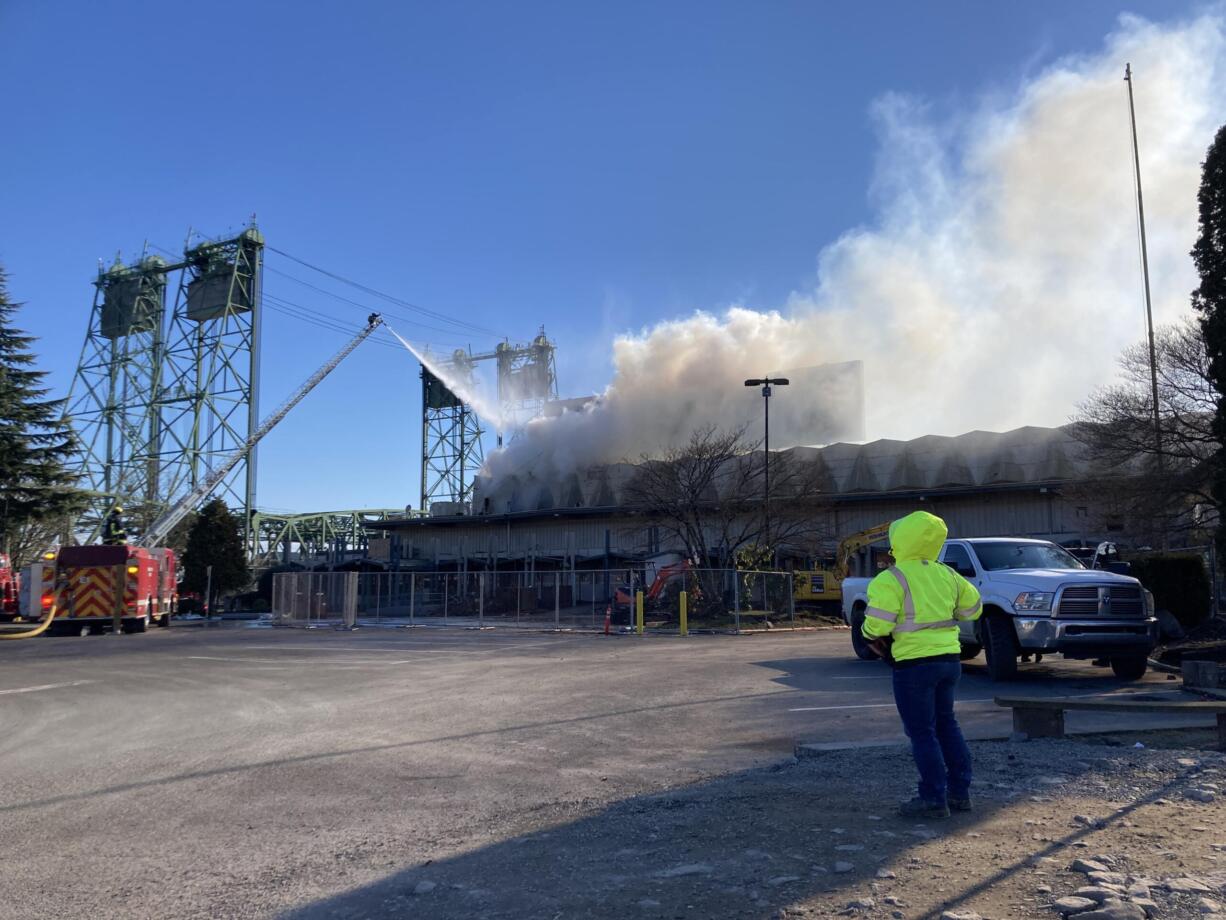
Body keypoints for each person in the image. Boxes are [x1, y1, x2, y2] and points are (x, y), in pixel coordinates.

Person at [861, 510, 982, 818]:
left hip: (913, 665)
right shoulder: (948, 574)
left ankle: (932, 798)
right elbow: (973, 610)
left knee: (922, 732)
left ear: (899, 540)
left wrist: (867, 634)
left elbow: (877, 625)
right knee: (947, 725)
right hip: (949, 660)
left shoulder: (892, 578)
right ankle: (960, 794)